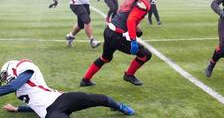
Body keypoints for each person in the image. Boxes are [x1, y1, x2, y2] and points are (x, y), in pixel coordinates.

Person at [0, 59, 135, 118]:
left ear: (11, 67)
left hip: (62, 98)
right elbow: (35, 105)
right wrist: (18, 109)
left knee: (100, 99)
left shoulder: (24, 70)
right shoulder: (20, 92)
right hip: (50, 111)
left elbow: (12, 86)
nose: (5, 78)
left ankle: (120, 107)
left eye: (5, 74)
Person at [80, 0, 154, 87]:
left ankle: (85, 79)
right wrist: (133, 40)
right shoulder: (144, 1)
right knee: (146, 55)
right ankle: (129, 75)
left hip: (109, 30)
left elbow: (123, 14)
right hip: (117, 36)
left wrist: (136, 29)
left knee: (105, 58)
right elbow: (131, 20)